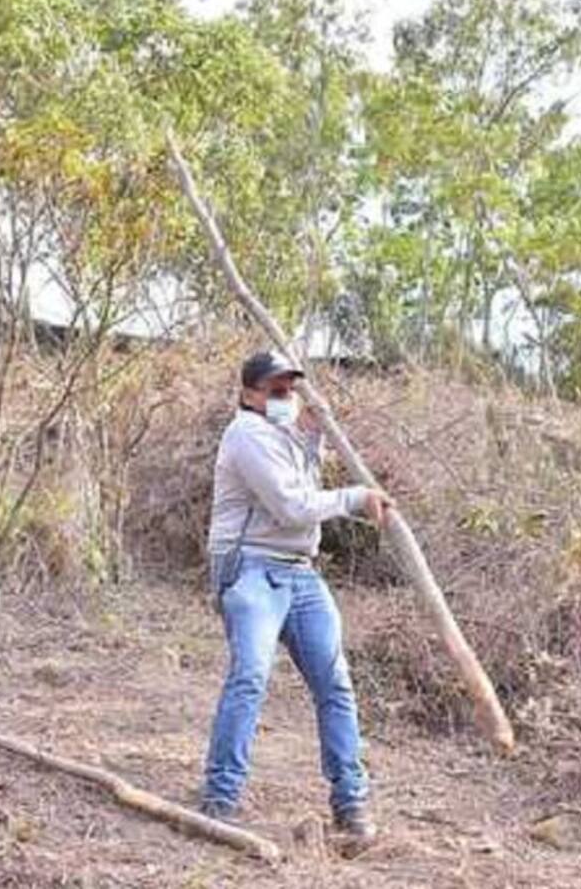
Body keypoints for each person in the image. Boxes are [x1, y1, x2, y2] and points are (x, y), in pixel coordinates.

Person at [201, 350, 390, 839]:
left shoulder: (285, 434)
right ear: (249, 395)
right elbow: (291, 506)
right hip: (250, 569)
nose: (286, 397)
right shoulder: (246, 434)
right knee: (250, 677)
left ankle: (351, 804)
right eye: (275, 390)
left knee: (335, 683)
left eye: (290, 388)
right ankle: (220, 797)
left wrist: (313, 433)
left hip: (299, 572)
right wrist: (354, 498)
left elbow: (303, 485)